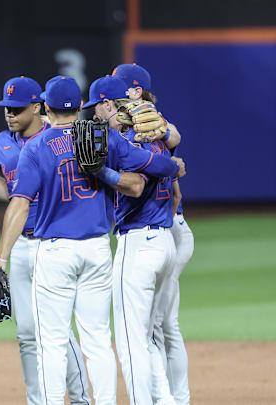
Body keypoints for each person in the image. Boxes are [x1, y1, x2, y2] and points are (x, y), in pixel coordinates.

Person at [0, 75, 185, 405]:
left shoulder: (35, 146)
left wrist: (0, 259)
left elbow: (20, 204)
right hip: (97, 251)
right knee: (97, 339)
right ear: (80, 107)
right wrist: (173, 165)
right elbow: (153, 164)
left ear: (46, 108)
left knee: (50, 341)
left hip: (54, 252)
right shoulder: (104, 138)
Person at [0, 76, 92, 405]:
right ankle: (37, 401)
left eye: (17, 108)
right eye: (6, 108)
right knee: (26, 334)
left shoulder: (56, 138)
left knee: (56, 329)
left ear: (38, 107)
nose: (9, 113)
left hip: (51, 242)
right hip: (21, 244)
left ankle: (80, 398)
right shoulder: (2, 143)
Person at [113, 63, 192, 405]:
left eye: (119, 89)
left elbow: (173, 137)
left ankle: (170, 398)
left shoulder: (149, 128)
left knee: (152, 331)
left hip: (161, 231)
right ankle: (174, 399)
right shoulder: (144, 131)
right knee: (158, 329)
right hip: (165, 231)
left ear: (135, 91)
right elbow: (174, 183)